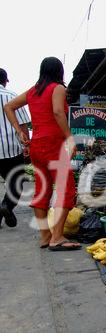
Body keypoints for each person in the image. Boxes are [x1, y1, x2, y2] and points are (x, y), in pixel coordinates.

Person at [4, 57, 80, 251]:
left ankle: (45, 237)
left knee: (42, 189)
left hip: (37, 146)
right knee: (66, 189)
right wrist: (70, 138)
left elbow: (8, 107)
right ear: (59, 71)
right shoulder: (58, 88)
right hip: (53, 145)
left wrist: (19, 130)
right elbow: (57, 112)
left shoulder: (33, 91)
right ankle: (57, 237)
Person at [0, 68, 31, 228]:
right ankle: (6, 205)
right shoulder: (12, 97)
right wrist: (27, 145)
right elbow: (24, 124)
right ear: (6, 80)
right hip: (11, 149)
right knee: (16, 182)